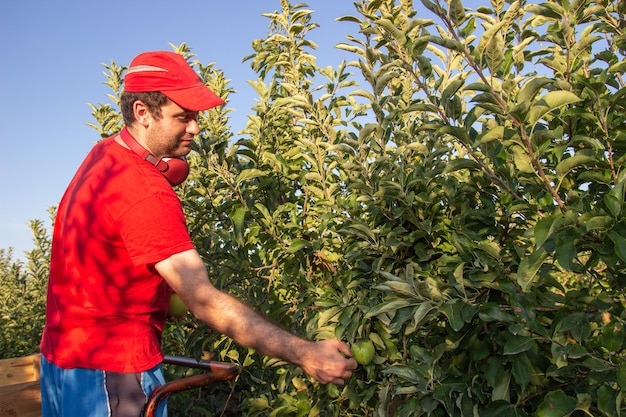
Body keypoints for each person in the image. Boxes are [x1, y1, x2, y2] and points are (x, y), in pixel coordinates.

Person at [39, 51, 357, 417]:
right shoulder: (144, 190)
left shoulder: (102, 158)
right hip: (113, 375)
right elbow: (202, 300)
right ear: (142, 112)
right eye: (183, 116)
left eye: (196, 116)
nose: (195, 127)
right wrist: (306, 353)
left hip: (62, 363)